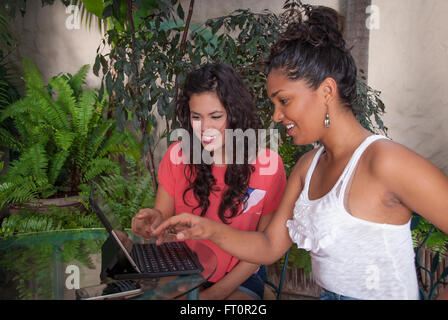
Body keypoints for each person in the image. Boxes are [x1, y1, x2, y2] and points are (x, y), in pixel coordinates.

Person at [153, 6, 448, 300]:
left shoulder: (384, 161)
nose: (277, 116)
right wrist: (209, 230)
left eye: (284, 101)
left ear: (327, 92)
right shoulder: (308, 167)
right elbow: (269, 246)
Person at [131, 62, 287, 300]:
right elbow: (162, 215)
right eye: (196, 117)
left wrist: (213, 296)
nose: (205, 128)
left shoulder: (268, 167)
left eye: (215, 116)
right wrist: (153, 221)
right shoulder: (177, 156)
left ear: (236, 114)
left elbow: (264, 246)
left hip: (240, 276)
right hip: (184, 268)